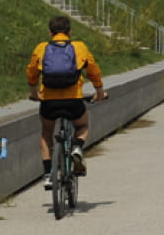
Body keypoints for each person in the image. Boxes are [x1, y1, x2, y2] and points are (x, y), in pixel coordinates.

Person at [27, 16, 107, 189]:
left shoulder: (42, 48)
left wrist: (34, 93)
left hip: (49, 101)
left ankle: (48, 175)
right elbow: (93, 70)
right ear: (70, 32)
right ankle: (77, 147)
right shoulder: (79, 47)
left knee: (46, 134)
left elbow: (32, 73)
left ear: (50, 32)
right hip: (73, 101)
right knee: (82, 127)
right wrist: (99, 91)